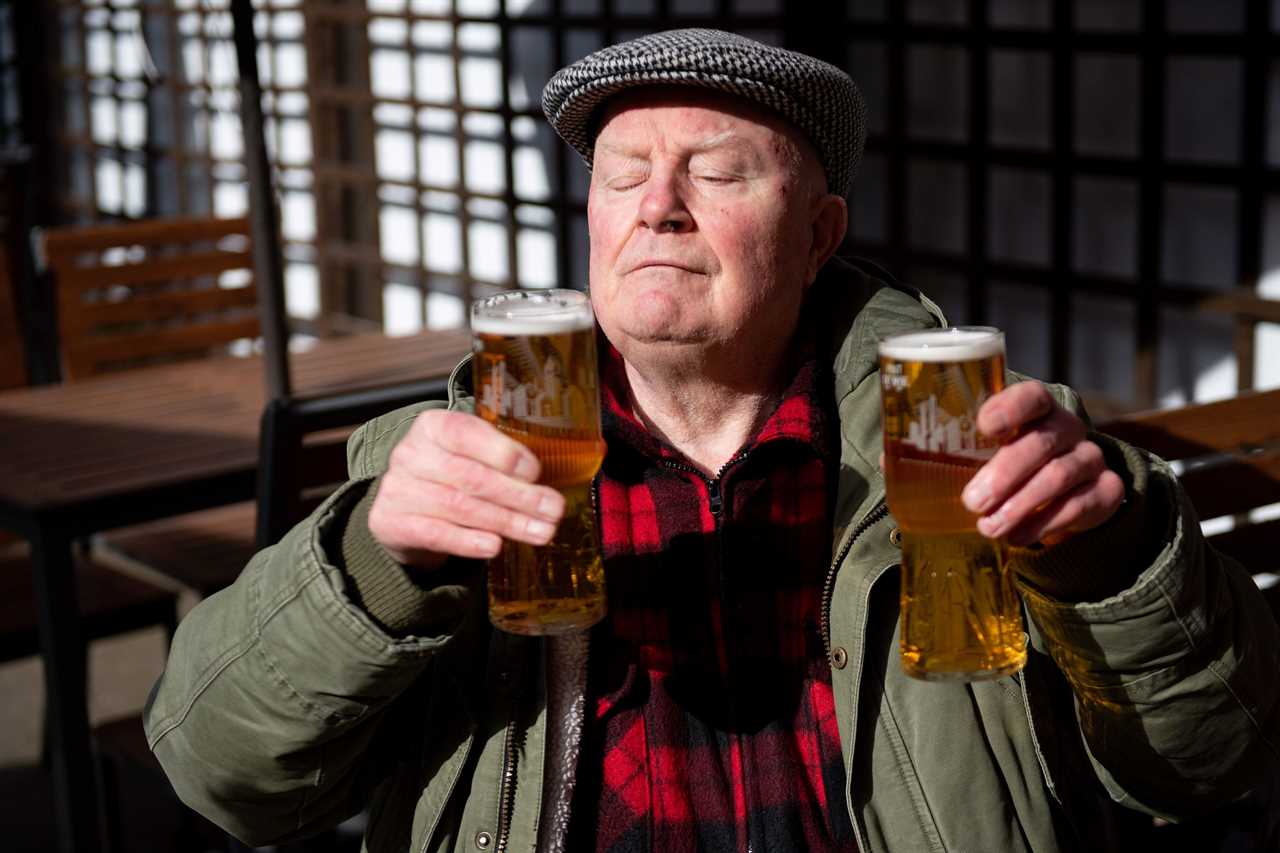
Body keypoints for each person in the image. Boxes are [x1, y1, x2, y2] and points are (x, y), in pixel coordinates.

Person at [145, 28, 1279, 853]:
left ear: (817, 235)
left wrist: (1112, 563)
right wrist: (371, 570)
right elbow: (222, 778)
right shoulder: (451, 466)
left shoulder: (980, 449)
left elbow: (1210, 764)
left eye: (719, 172)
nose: (657, 206)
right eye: (623, 174)